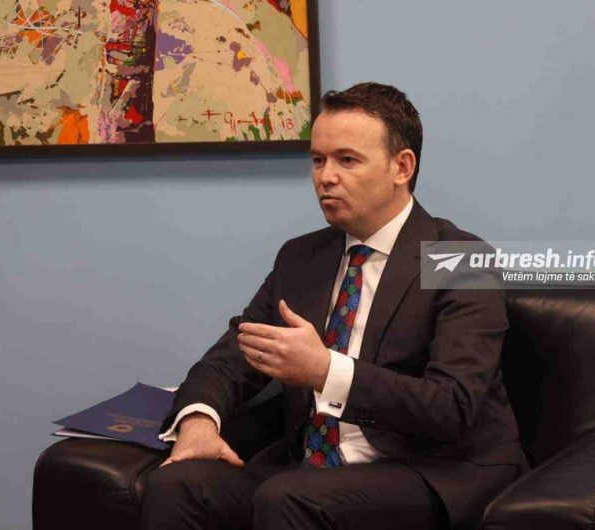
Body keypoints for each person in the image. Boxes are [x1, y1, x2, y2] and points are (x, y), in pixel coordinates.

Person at [141, 82, 527, 530]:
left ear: (402, 167)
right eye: (318, 160)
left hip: (432, 469)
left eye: (347, 160)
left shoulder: (459, 259)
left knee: (291, 497)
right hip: (311, 470)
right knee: (176, 483)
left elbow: (451, 407)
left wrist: (326, 371)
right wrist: (198, 422)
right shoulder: (302, 257)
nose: (325, 177)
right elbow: (232, 357)